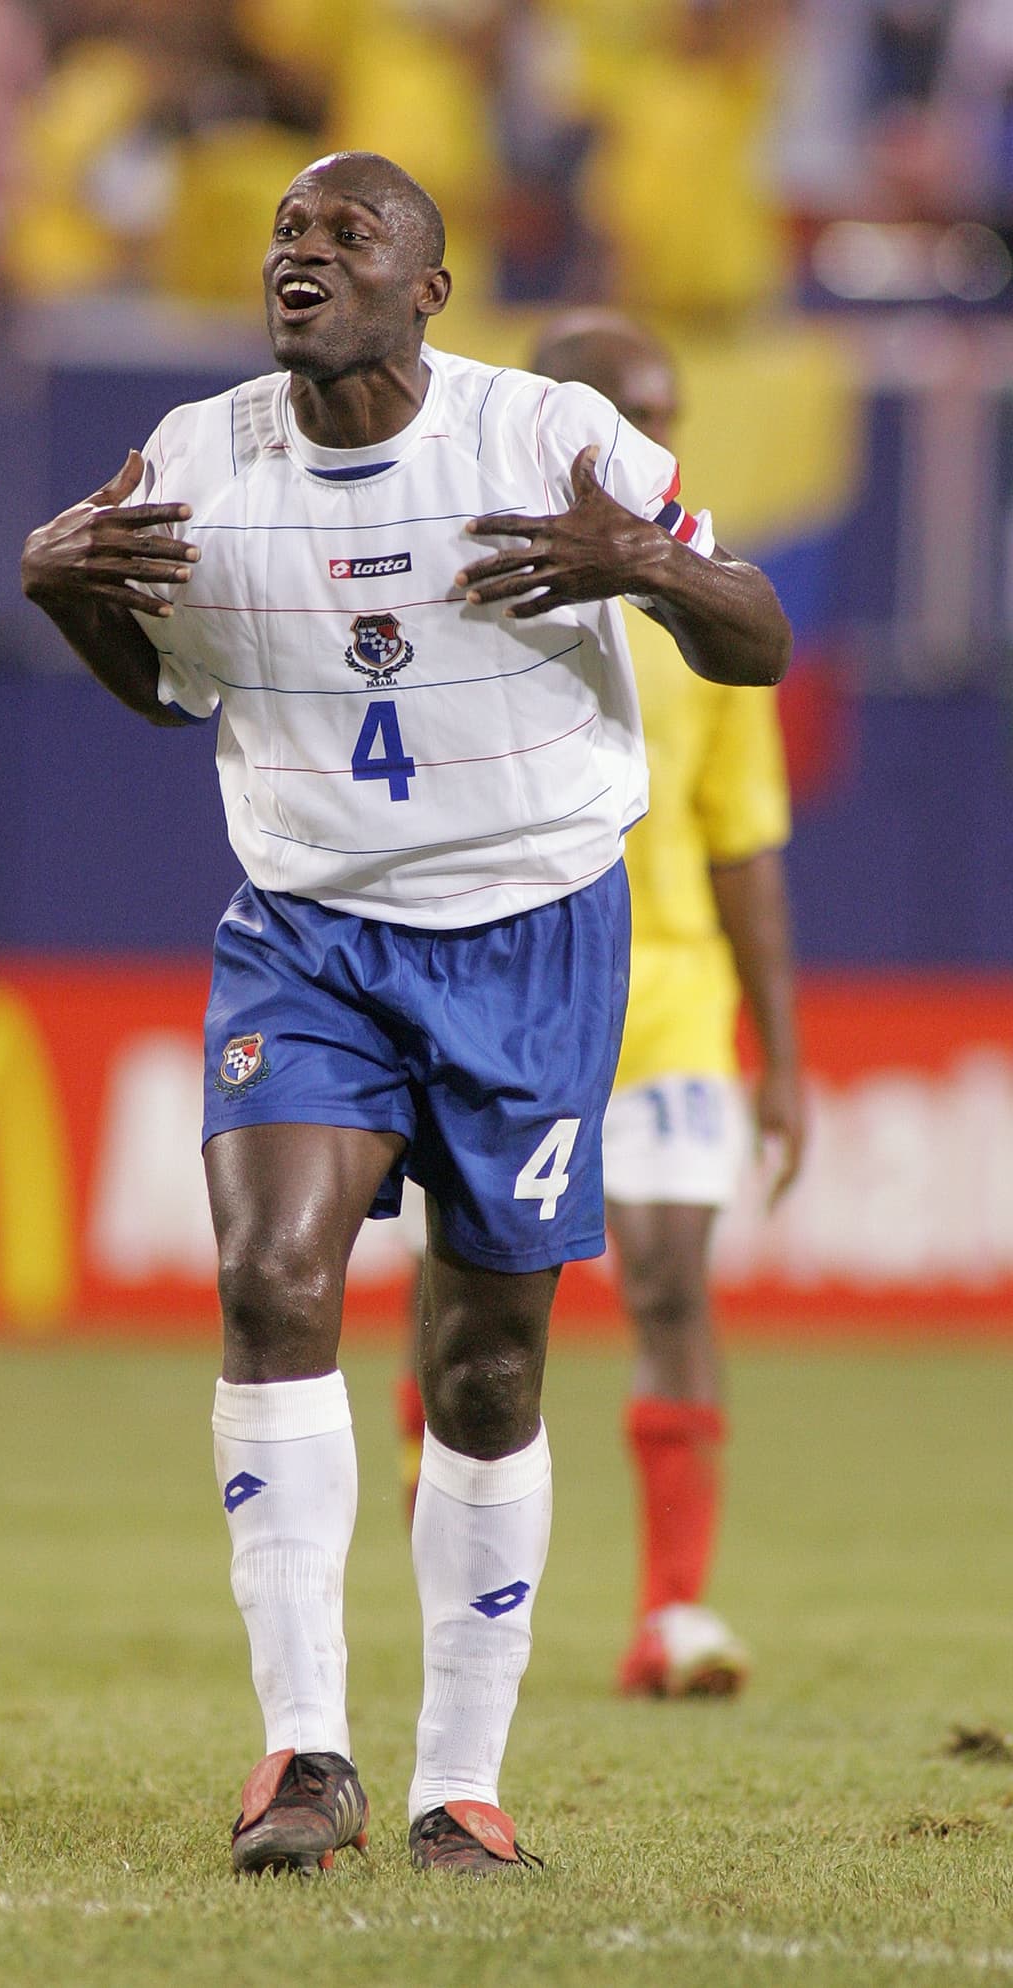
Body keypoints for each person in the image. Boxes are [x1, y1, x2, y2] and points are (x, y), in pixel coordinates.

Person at [20, 152, 791, 1878]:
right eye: (286, 232)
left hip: (533, 932)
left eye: (345, 234)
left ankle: (463, 1782)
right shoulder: (203, 457)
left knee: (486, 1363)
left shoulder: (547, 436)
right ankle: (305, 1757)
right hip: (308, 931)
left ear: (427, 288)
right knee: (270, 1280)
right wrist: (70, 591)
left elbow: (760, 642)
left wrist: (642, 562)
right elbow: (159, 696)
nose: (302, 254)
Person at [397, 309, 805, 1699]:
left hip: (667, 994)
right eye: (632, 414)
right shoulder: (444, 564)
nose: (658, 445)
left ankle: (672, 1615)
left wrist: (782, 1056)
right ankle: (441, 1575)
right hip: (495, 977)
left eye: (670, 416)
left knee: (669, 1281)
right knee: (466, 1296)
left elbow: (739, 834)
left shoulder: (703, 586)